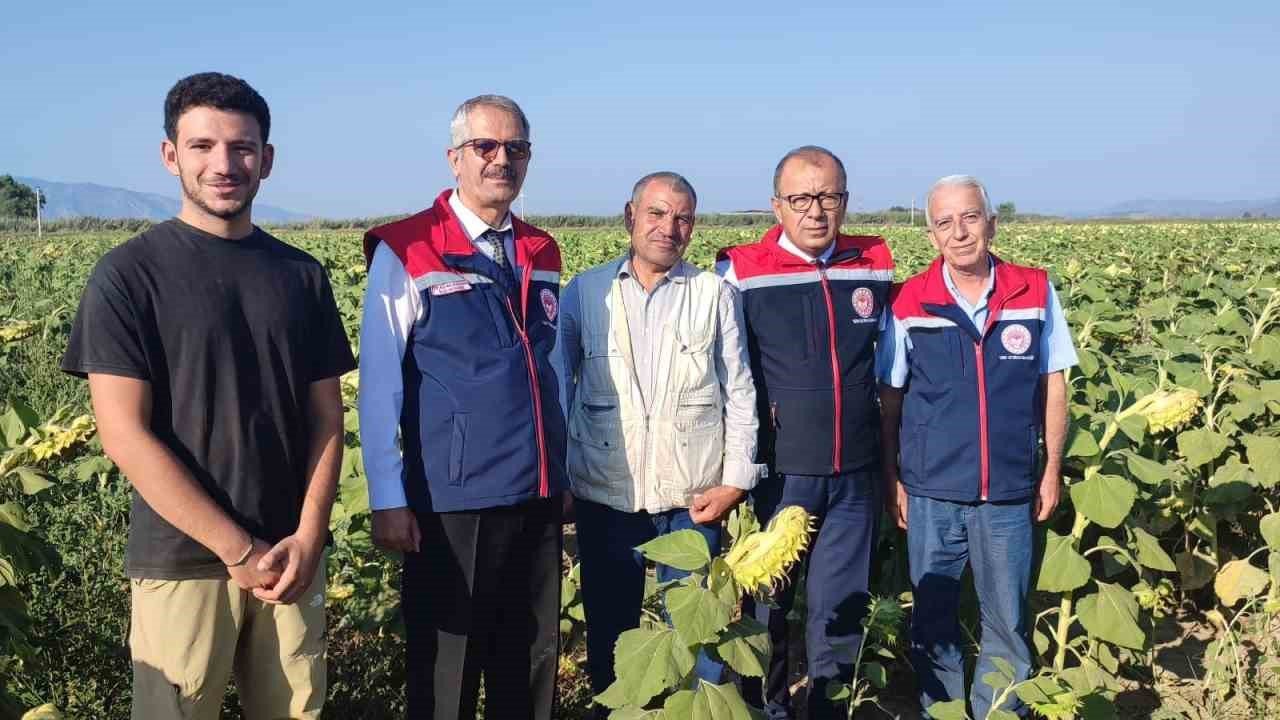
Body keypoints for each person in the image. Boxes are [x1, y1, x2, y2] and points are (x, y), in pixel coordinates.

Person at [62, 72, 354, 719]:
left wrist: (308, 536)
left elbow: (326, 418)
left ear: (266, 160)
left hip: (290, 560)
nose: (224, 163)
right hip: (184, 560)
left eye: (242, 147)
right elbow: (123, 434)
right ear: (171, 156)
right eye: (202, 146)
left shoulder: (301, 276)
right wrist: (238, 549)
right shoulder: (128, 276)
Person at [357, 94, 568, 719]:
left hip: (534, 490)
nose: (501, 160)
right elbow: (379, 384)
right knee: (448, 662)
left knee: (528, 657)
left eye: (516, 149)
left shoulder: (541, 250)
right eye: (486, 147)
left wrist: (564, 471)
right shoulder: (409, 248)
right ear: (455, 158)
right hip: (451, 496)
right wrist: (387, 497)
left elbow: (551, 369)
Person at [557, 172, 764, 703]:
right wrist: (560, 476)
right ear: (630, 216)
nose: (668, 227)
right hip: (607, 492)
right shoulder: (586, 292)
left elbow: (739, 390)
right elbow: (560, 387)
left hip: (693, 495)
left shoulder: (713, 292)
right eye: (656, 213)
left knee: (700, 631)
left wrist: (736, 481)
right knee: (612, 631)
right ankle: (618, 710)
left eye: (682, 217)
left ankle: (696, 712)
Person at [878, 175, 1077, 719]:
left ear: (991, 222)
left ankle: (999, 713)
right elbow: (890, 398)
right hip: (931, 492)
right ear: (931, 235)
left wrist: (1051, 467)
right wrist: (892, 477)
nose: (959, 231)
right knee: (933, 620)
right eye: (945, 222)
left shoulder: (1033, 290)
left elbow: (1052, 383)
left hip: (1009, 490)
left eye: (970, 217)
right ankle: (940, 712)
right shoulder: (909, 301)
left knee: (1007, 621)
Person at [716, 146, 894, 719]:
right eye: (801, 199)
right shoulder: (741, 271)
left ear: (845, 200)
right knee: (765, 603)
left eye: (829, 196)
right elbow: (724, 373)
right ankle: (763, 708)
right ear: (777, 206)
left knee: (839, 608)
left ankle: (827, 708)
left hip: (854, 473)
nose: (816, 211)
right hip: (780, 471)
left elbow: (890, 367)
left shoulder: (874, 263)